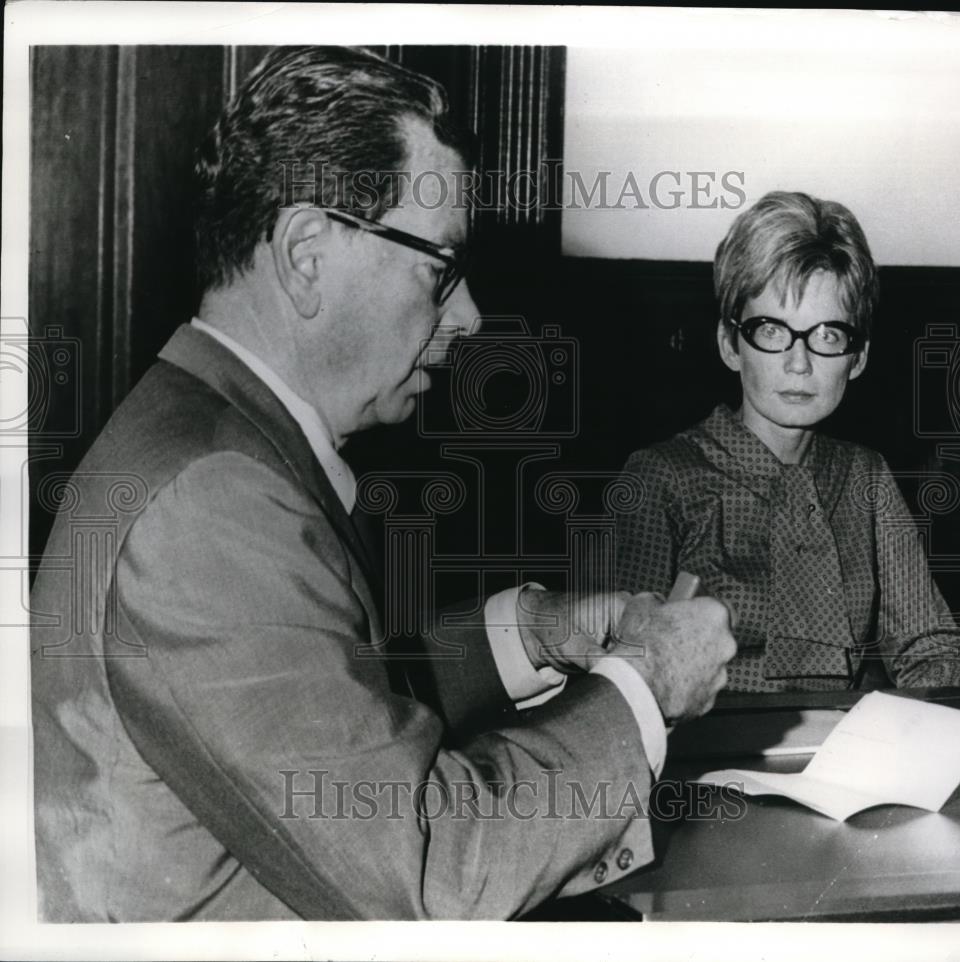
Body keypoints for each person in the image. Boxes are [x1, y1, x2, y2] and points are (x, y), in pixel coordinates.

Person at [30, 46, 736, 922]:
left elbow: (317, 699)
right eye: (440, 268)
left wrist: (532, 636)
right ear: (306, 255)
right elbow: (434, 867)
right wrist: (647, 680)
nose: (469, 316)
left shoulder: (209, 433)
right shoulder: (210, 503)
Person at [615, 190, 960, 693]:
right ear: (730, 344)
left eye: (827, 335)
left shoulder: (865, 476)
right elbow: (624, 668)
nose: (799, 363)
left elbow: (931, 646)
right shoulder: (663, 476)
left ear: (858, 357)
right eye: (772, 330)